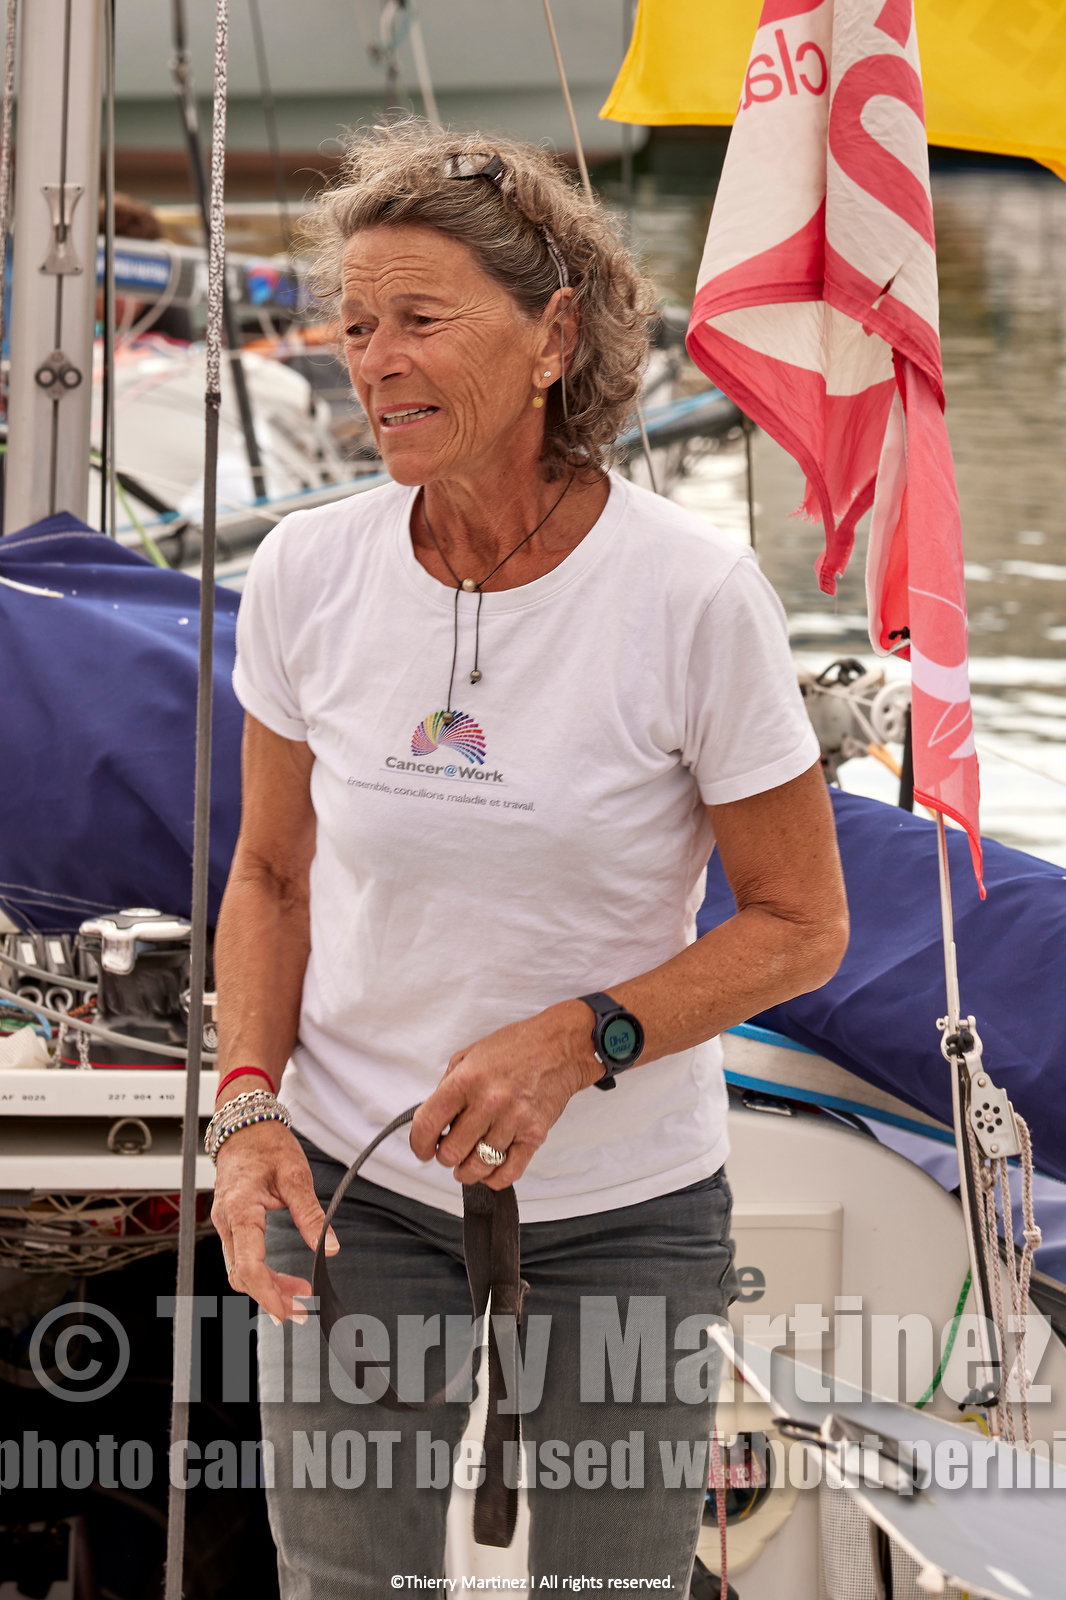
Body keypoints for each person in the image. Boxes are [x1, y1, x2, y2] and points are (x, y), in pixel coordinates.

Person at [209, 125, 848, 1598]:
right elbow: (272, 878)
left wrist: (582, 1037)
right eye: (356, 325)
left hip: (624, 1211)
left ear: (554, 332)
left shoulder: (687, 593)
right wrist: (246, 1111)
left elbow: (800, 924)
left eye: (419, 319)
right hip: (350, 1190)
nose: (372, 361)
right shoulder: (310, 571)